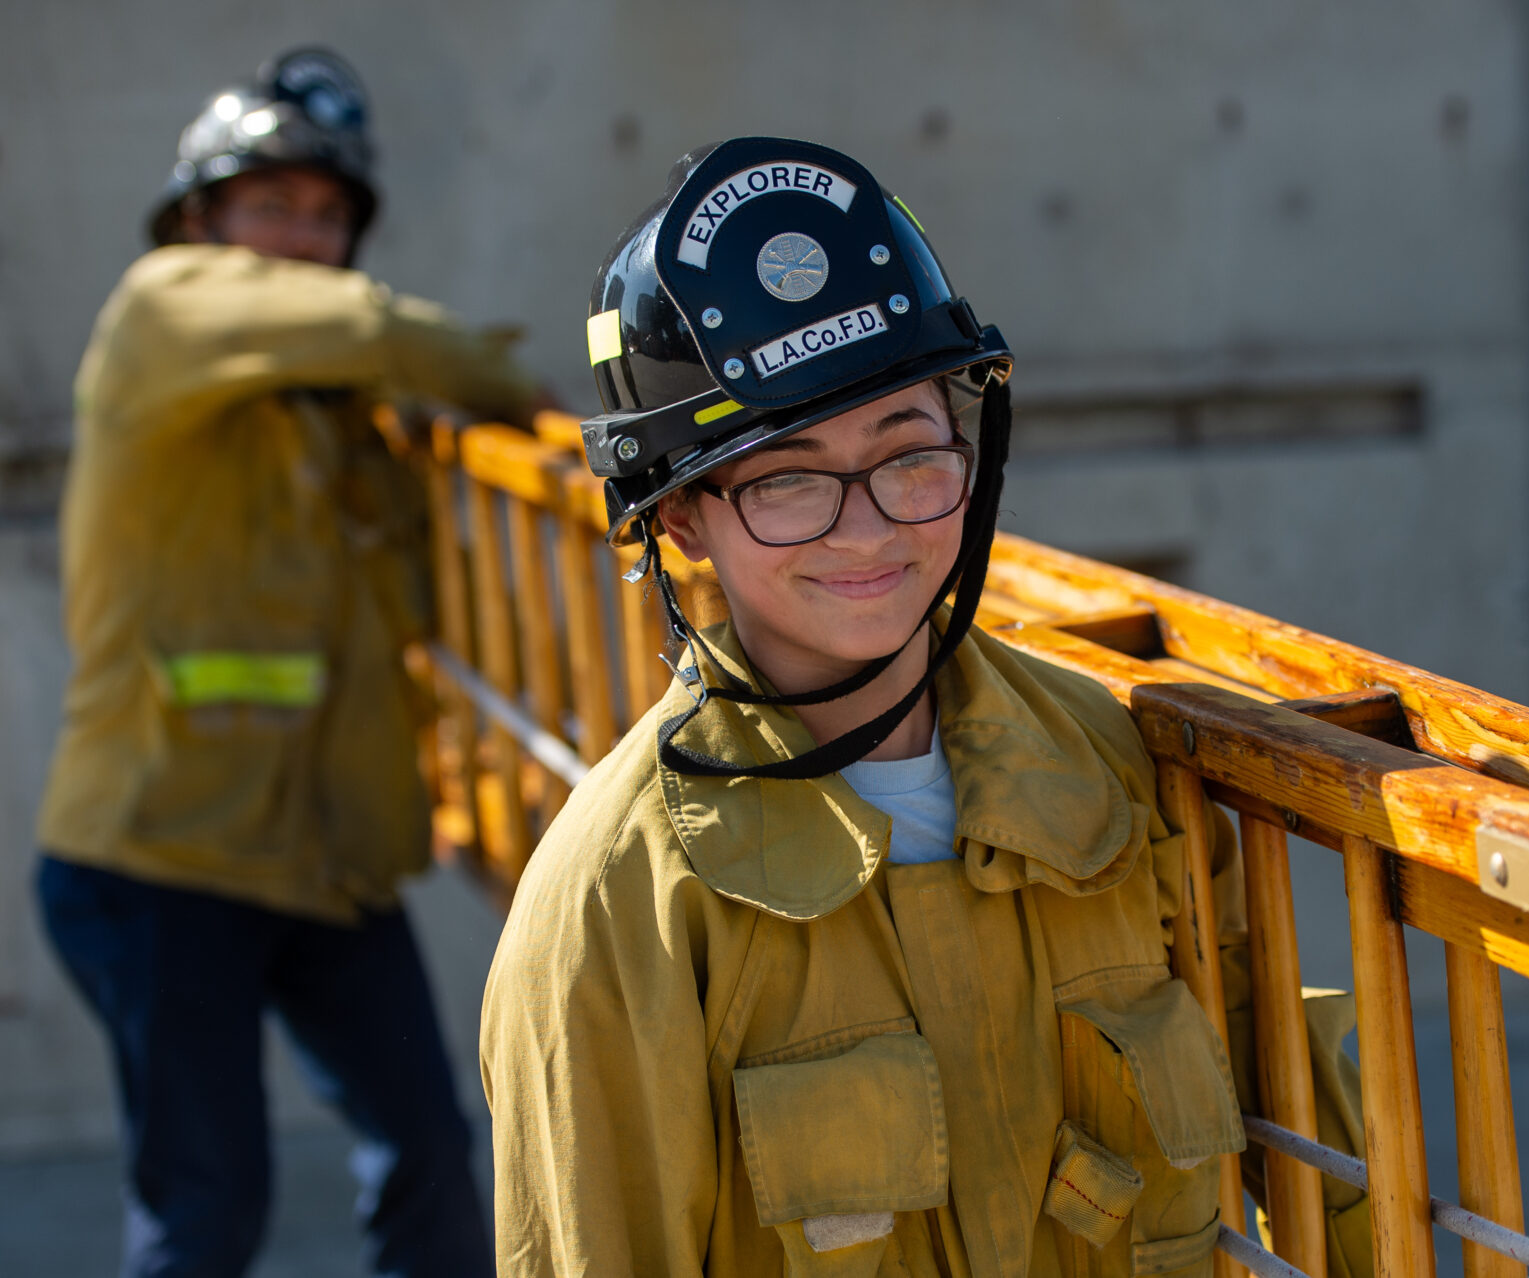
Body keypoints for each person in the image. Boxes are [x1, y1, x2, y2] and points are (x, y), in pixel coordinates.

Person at [479, 137, 1372, 1277]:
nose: (868, 529)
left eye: (909, 455)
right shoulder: (619, 909)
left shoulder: (1105, 770)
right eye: (787, 480)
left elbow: (1313, 1143)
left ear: (969, 450)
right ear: (685, 522)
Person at [34, 48, 537, 1278]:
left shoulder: (337, 413)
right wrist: (520, 392)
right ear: (200, 218)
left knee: (430, 1148)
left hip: (321, 861)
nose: (301, 239)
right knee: (207, 1205)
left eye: (325, 216)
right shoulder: (165, 307)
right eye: (271, 205)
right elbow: (380, 329)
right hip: (161, 856)